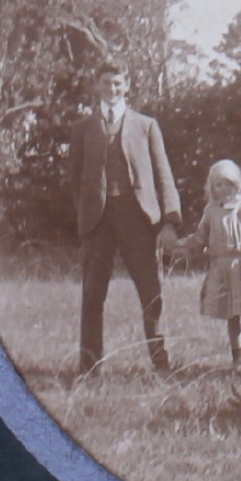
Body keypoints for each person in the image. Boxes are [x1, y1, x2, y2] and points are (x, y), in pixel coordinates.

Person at [69, 58, 180, 375]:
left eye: (118, 83)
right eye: (106, 83)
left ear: (127, 86)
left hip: (137, 218)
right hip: (98, 221)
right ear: (97, 86)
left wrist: (170, 220)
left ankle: (161, 363)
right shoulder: (82, 129)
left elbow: (164, 176)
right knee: (92, 293)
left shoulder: (146, 126)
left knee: (150, 292)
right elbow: (74, 180)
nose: (112, 88)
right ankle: (89, 366)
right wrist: (85, 213)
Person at [184, 159, 241, 369]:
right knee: (231, 316)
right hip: (221, 267)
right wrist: (185, 245)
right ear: (212, 187)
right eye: (218, 184)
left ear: (237, 184)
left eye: (228, 184)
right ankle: (237, 359)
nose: (223, 189)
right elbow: (200, 236)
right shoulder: (211, 210)